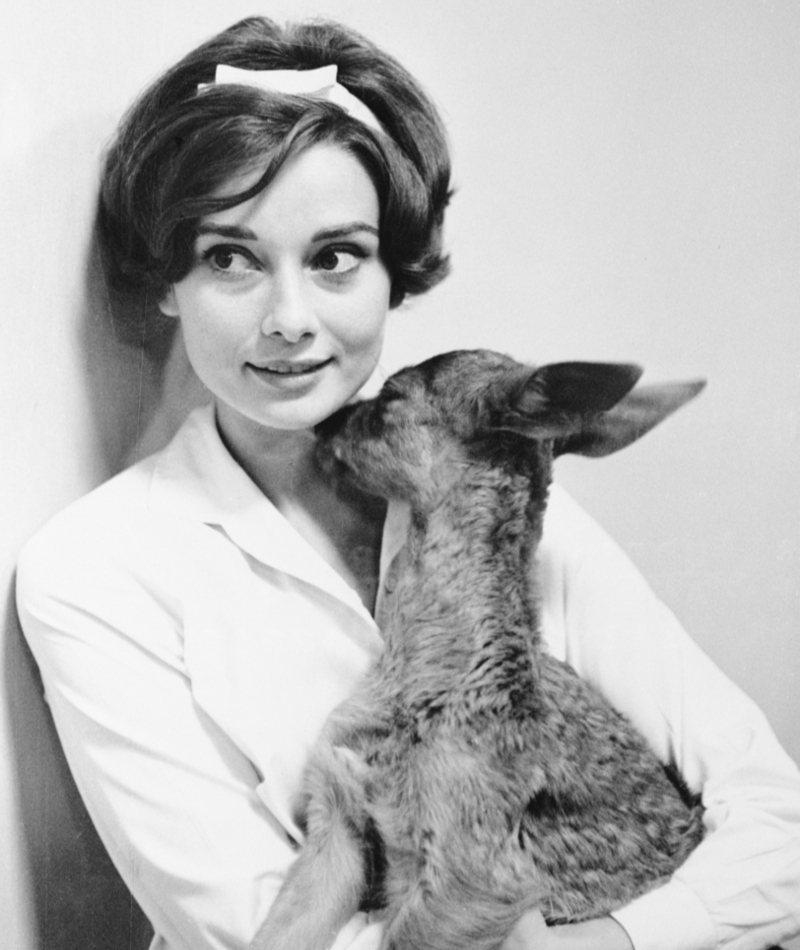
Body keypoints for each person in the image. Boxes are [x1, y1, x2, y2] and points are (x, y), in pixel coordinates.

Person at [15, 15, 800, 950]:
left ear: (395, 274)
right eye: (231, 258)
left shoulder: (503, 501)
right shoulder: (95, 573)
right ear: (166, 281)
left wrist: (614, 943)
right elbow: (243, 927)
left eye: (335, 257)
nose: (289, 320)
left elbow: (777, 823)